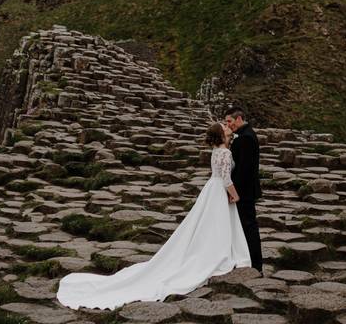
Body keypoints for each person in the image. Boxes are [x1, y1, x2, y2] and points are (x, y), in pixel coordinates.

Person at [56, 123, 251, 311]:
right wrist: (235, 194)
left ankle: (211, 250)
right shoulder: (225, 153)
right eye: (224, 127)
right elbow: (226, 178)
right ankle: (218, 253)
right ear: (221, 135)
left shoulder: (216, 151)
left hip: (210, 190)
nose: (227, 128)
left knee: (207, 224)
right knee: (216, 224)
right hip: (218, 191)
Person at [224, 110, 263, 273]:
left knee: (248, 226)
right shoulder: (244, 134)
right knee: (242, 226)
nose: (228, 125)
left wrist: (234, 192)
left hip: (244, 192)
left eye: (229, 121)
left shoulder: (246, 138)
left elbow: (244, 170)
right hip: (243, 190)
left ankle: (255, 264)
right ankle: (244, 260)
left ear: (239, 118)